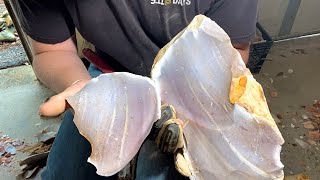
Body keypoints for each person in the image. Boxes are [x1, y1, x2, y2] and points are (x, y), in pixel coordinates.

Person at [16, 0, 258, 179]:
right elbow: (52, 51)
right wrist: (83, 90)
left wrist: (195, 98)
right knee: (65, 174)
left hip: (191, 80)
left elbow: (233, 50)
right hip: (110, 74)